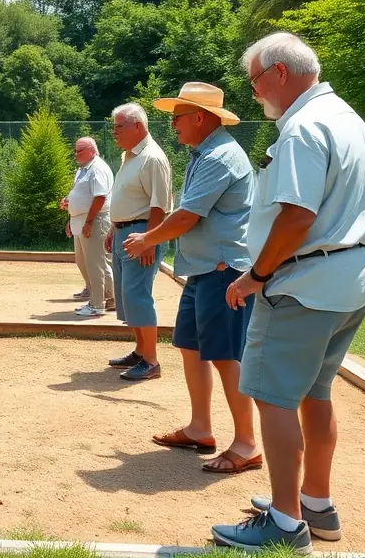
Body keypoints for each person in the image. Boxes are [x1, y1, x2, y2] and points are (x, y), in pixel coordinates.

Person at [211, 33, 365, 553]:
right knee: (315, 392)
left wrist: (256, 275)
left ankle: (285, 525)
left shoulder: (304, 127)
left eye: (255, 81)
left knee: (272, 395)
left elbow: (297, 215)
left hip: (301, 283)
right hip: (348, 278)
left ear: (279, 73)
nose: (255, 93)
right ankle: (316, 504)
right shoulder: (346, 117)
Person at [122, 83, 259, 474]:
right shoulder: (206, 152)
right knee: (192, 348)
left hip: (222, 271)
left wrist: (147, 237)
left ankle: (247, 443)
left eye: (177, 118)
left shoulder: (220, 156)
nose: (173, 126)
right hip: (203, 270)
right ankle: (200, 428)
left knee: (225, 355)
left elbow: (188, 215)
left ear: (200, 117)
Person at [106, 103, 172, 381]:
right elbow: (127, 197)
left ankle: (152, 361)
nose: (115, 132)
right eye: (114, 127)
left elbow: (160, 205)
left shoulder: (152, 158)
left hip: (141, 233)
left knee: (139, 297)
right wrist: (113, 227)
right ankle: (140, 351)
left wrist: (149, 241)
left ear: (138, 126)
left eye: (119, 126)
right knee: (128, 297)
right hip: (125, 232)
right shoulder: (130, 156)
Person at [59, 137, 115, 317]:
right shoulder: (83, 170)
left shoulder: (97, 168)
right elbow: (82, 197)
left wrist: (89, 222)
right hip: (81, 221)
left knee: (95, 264)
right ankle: (110, 297)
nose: (75, 154)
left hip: (95, 221)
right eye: (75, 150)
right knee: (85, 261)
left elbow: (100, 197)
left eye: (79, 150)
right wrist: (70, 210)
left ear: (91, 150)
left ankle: (97, 304)